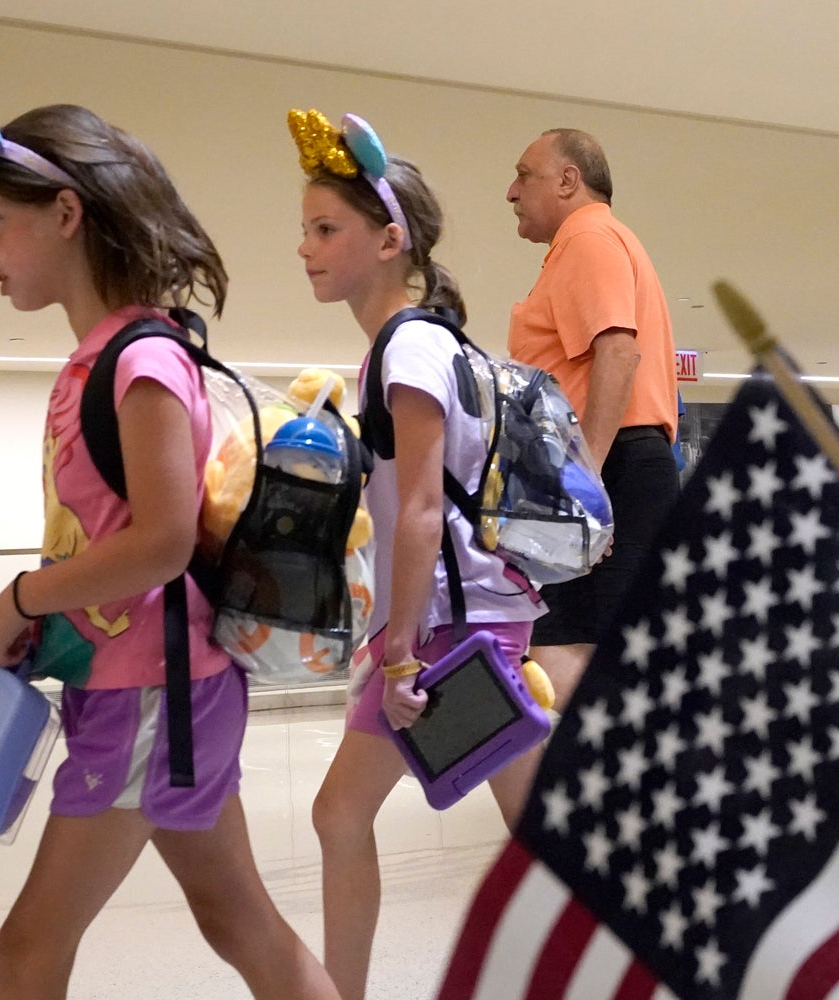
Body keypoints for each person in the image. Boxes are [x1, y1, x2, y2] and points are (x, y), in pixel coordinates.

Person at [0, 92, 338, 998]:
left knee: (27, 949)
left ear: (66, 213)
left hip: (151, 695)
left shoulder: (142, 359)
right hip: (144, 688)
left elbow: (164, 543)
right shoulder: (111, 358)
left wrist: (19, 599)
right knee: (239, 921)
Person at [291, 109, 546, 1000]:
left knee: (338, 813)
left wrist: (398, 653)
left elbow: (424, 508)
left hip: (450, 628)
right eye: (307, 229)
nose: (306, 247)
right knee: (537, 833)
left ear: (391, 238)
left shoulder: (411, 347)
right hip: (476, 616)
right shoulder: (420, 344)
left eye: (327, 229)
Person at [502, 128, 681, 788]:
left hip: (611, 469)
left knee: (577, 650)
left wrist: (586, 482)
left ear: (568, 181)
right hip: (608, 469)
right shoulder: (582, 245)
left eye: (525, 175)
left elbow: (618, 353)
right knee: (566, 646)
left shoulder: (588, 236)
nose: (512, 191)